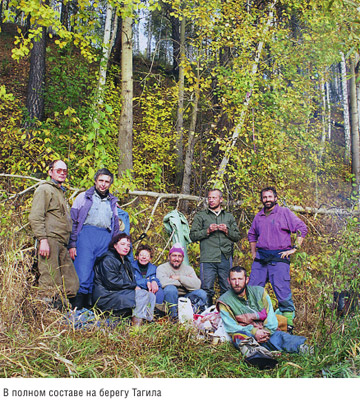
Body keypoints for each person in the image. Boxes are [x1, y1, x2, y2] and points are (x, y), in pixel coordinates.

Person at [217, 266, 308, 368]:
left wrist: (266, 331)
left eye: (240, 279)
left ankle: (303, 348)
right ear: (229, 281)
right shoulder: (224, 301)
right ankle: (259, 358)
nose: (237, 283)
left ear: (246, 280)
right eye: (234, 279)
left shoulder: (259, 292)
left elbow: (271, 316)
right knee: (239, 337)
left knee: (281, 337)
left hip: (265, 331)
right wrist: (254, 332)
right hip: (247, 333)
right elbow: (231, 327)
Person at [248, 186, 308, 332]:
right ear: (262, 199)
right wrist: (253, 252)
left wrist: (295, 248)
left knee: (282, 291)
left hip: (280, 257)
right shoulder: (259, 216)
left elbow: (302, 228)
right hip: (261, 258)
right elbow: (252, 235)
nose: (267, 200)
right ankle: (254, 323)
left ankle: (288, 325)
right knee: (253, 290)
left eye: (270, 197)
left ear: (275, 198)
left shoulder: (284, 213)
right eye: (264, 197)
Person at [29, 160, 79, 305]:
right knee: (50, 282)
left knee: (71, 283)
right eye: (59, 170)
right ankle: (45, 315)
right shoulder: (44, 189)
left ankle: (62, 311)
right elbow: (35, 216)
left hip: (62, 242)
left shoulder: (60, 192)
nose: (62, 173)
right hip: (50, 240)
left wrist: (70, 245)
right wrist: (43, 240)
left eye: (65, 171)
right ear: (50, 172)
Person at [68, 168, 119, 309]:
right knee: (82, 274)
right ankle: (76, 310)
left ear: (110, 184)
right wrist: (72, 244)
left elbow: (115, 227)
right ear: (95, 181)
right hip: (86, 236)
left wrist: (114, 247)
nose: (103, 184)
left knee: (96, 276)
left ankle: (91, 311)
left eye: (107, 182)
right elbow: (73, 221)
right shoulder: (83, 197)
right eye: (101, 180)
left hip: (105, 239)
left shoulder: (112, 202)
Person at [190, 189, 240, 307]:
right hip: (208, 257)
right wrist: (207, 231)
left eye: (214, 198)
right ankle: (205, 315)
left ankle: (225, 314)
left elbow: (237, 236)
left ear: (221, 199)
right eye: (209, 198)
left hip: (225, 257)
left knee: (227, 287)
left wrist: (227, 231)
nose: (211, 200)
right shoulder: (201, 216)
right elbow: (192, 236)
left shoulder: (228, 216)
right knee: (206, 288)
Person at [92, 233, 155, 326]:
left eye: (128, 245)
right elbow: (111, 282)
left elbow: (131, 280)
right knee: (141, 294)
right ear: (115, 245)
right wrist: (133, 287)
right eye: (122, 244)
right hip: (106, 296)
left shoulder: (126, 261)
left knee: (151, 296)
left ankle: (146, 323)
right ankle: (136, 329)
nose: (126, 247)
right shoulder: (108, 259)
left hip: (119, 293)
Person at [156, 243, 207, 319]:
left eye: (179, 256)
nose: (176, 259)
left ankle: (190, 317)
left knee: (202, 293)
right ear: (169, 257)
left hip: (186, 297)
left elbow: (197, 285)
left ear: (183, 259)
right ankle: (173, 318)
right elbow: (163, 282)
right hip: (169, 298)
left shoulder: (188, 269)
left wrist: (179, 277)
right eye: (174, 255)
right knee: (170, 289)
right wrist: (186, 281)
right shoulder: (162, 268)